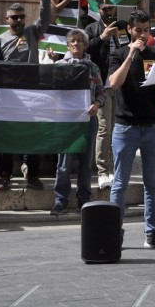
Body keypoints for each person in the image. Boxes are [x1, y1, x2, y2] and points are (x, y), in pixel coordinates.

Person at [108, 10, 155, 249]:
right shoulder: (118, 54)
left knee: (152, 184)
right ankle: (115, 232)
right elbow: (114, 83)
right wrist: (132, 54)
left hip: (152, 126)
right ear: (130, 30)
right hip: (126, 128)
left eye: (147, 30)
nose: (143, 35)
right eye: (139, 30)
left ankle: (151, 233)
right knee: (120, 183)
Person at [0, 0, 53, 191]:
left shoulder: (32, 32)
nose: (19, 21)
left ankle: (33, 175)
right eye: (14, 17)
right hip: (9, 97)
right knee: (5, 137)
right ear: (7, 19)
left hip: (32, 93)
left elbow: (45, 18)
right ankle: (5, 175)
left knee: (33, 135)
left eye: (21, 17)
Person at [51, 28, 104, 215]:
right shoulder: (59, 65)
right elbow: (52, 92)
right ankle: (60, 200)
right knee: (63, 163)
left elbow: (101, 92)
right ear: (67, 45)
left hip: (87, 120)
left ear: (85, 44)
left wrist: (96, 104)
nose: (75, 44)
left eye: (79, 41)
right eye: (72, 41)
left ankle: (84, 199)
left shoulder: (93, 67)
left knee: (86, 162)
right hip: (66, 121)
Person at [85, 0, 122, 190]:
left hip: (120, 86)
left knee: (118, 130)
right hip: (102, 87)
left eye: (111, 7)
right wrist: (102, 38)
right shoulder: (92, 28)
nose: (108, 11)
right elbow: (85, 49)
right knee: (104, 129)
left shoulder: (122, 27)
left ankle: (116, 168)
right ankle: (102, 171)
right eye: (105, 8)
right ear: (98, 10)